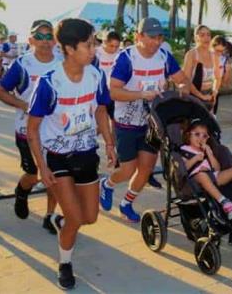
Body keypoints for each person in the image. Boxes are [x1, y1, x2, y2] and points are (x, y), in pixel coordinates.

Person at [26, 18, 116, 289]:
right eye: (88, 45)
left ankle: (61, 221)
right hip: (58, 158)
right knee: (76, 220)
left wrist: (110, 144)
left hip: (87, 153)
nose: (94, 50)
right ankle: (65, 263)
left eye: (94, 44)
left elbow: (101, 109)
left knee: (89, 217)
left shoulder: (96, 75)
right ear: (67, 48)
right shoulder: (50, 83)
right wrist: (42, 167)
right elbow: (32, 129)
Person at [99, 17, 191, 222]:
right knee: (127, 169)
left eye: (159, 37)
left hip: (153, 124)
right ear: (138, 36)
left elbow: (181, 78)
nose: (156, 42)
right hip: (127, 123)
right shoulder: (126, 58)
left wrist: (183, 87)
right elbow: (113, 92)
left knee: (146, 168)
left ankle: (126, 204)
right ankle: (107, 185)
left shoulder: (164, 56)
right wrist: (141, 95)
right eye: (151, 37)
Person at [0, 20, 60, 232]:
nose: (44, 41)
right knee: (33, 175)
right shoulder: (22, 64)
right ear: (31, 40)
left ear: (54, 40)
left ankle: (50, 215)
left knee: (54, 174)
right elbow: (1, 90)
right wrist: (24, 105)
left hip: (54, 131)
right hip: (26, 130)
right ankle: (22, 191)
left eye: (48, 36)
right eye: (39, 37)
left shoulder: (62, 62)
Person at [181, 118, 232, 219]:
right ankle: (225, 203)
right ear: (188, 135)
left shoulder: (206, 150)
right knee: (201, 175)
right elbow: (183, 168)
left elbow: (217, 169)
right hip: (195, 180)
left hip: (213, 177)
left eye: (204, 136)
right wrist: (195, 159)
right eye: (197, 134)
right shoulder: (184, 150)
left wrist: (210, 154)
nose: (201, 138)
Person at [183, 25, 220, 111]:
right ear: (196, 38)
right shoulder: (191, 55)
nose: (206, 38)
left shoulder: (214, 55)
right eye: (202, 35)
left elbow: (218, 78)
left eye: (208, 35)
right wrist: (201, 96)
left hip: (210, 96)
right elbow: (186, 80)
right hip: (194, 95)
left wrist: (215, 91)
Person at [211, 35, 231, 115]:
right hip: (204, 89)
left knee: (213, 114)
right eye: (217, 50)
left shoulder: (224, 58)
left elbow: (224, 82)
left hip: (216, 90)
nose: (219, 53)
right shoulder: (206, 56)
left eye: (222, 51)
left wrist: (227, 71)